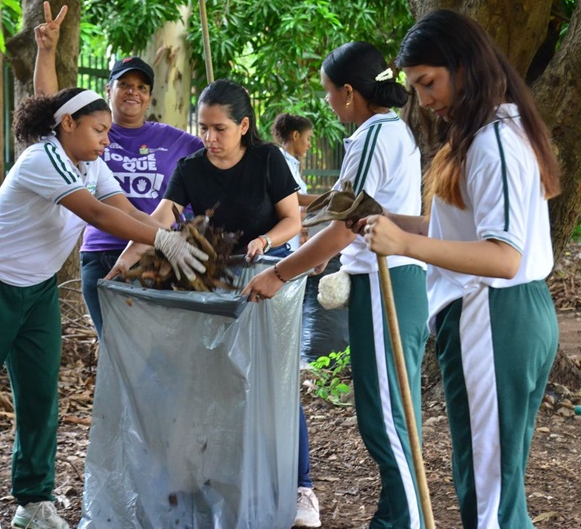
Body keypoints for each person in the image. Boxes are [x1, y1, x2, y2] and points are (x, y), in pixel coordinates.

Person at [0, 7, 208, 529]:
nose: (107, 140)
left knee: (41, 393)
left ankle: (33, 500)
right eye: (98, 129)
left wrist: (168, 235)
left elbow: (126, 213)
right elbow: (96, 214)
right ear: (67, 126)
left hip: (39, 292)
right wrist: (162, 237)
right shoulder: (42, 160)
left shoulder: (91, 160)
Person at [363, 9, 561, 528]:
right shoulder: (490, 132)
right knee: (494, 483)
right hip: (502, 314)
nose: (424, 100)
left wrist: (403, 241)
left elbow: (502, 256)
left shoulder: (495, 140)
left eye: (428, 83)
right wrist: (384, 218)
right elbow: (458, 234)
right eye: (415, 88)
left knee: (488, 492)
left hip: (493, 314)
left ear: (464, 65)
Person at [109, 79, 322, 528]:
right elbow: (159, 222)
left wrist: (266, 240)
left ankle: (300, 486)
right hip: (213, 284)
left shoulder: (269, 161)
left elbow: (292, 219)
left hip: (269, 282)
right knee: (211, 378)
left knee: (272, 381)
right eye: (203, 128)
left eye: (219, 128)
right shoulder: (190, 168)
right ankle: (210, 477)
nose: (209, 138)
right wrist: (125, 264)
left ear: (244, 126)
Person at [245, 42, 429, 528]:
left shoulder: (371, 135)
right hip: (396, 278)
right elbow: (348, 205)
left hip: (385, 281)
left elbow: (347, 223)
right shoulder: (395, 130)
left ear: (349, 93)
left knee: (384, 416)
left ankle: (404, 519)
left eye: (329, 93)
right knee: (390, 408)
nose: (327, 103)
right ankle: (394, 515)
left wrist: (281, 272)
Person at [34, 45, 203, 335]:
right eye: (124, 84)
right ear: (108, 88)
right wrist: (48, 51)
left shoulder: (175, 139)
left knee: (154, 349)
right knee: (115, 348)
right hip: (102, 253)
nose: (132, 92)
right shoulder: (89, 132)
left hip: (154, 253)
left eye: (141, 87)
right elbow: (51, 110)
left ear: (150, 96)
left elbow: (219, 150)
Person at [271, 113, 350, 362]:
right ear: (295, 136)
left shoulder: (291, 163)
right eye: (307, 139)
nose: (309, 145)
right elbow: (290, 199)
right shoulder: (280, 161)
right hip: (280, 246)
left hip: (292, 243)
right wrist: (328, 198)